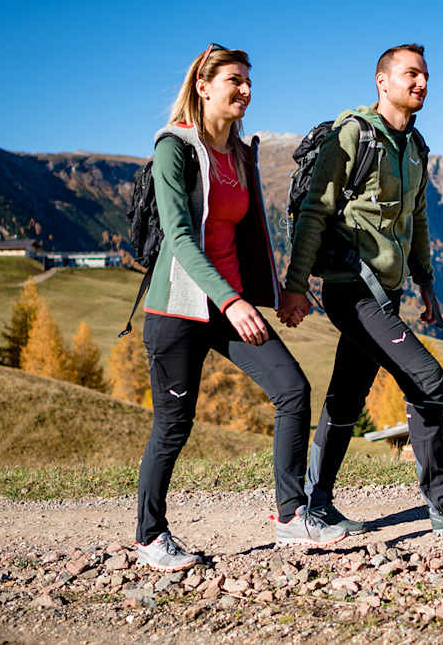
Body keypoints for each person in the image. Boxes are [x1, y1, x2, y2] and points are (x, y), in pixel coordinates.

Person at [135, 44, 347, 571]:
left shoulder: (241, 153)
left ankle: (291, 515)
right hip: (180, 307)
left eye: (249, 81)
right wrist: (230, 302)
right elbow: (181, 239)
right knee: (174, 423)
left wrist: (281, 295)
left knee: (292, 390)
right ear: (204, 86)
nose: (246, 91)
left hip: (230, 305)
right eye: (235, 80)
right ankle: (150, 537)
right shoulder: (175, 148)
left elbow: (252, 236)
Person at [278, 43, 443, 537]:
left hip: (389, 290)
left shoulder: (415, 147)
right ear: (383, 81)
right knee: (426, 376)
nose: (421, 83)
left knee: (346, 396)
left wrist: (426, 285)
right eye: (411, 74)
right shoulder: (355, 135)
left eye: (425, 76)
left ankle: (314, 505)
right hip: (349, 288)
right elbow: (315, 212)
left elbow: (417, 218)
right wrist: (296, 287)